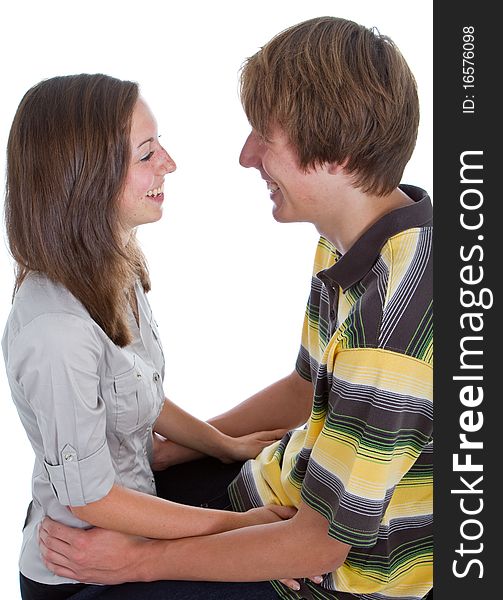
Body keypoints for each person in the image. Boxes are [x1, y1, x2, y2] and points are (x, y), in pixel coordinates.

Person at [40, 15, 433, 600]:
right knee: (78, 533)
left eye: (264, 136)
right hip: (284, 490)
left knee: (94, 576)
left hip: (328, 574)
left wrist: (140, 562)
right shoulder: (357, 237)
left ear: (334, 148)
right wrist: (191, 445)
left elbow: (318, 544)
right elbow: (306, 390)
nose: (246, 156)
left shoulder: (399, 314)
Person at [2, 73, 294, 600]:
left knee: (274, 480)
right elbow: (90, 500)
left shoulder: (111, 268)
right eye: (146, 154)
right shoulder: (55, 333)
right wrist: (234, 530)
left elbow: (141, 393)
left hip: (138, 509)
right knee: (281, 566)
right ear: (85, 178)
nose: (169, 164)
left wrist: (224, 446)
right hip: (84, 571)